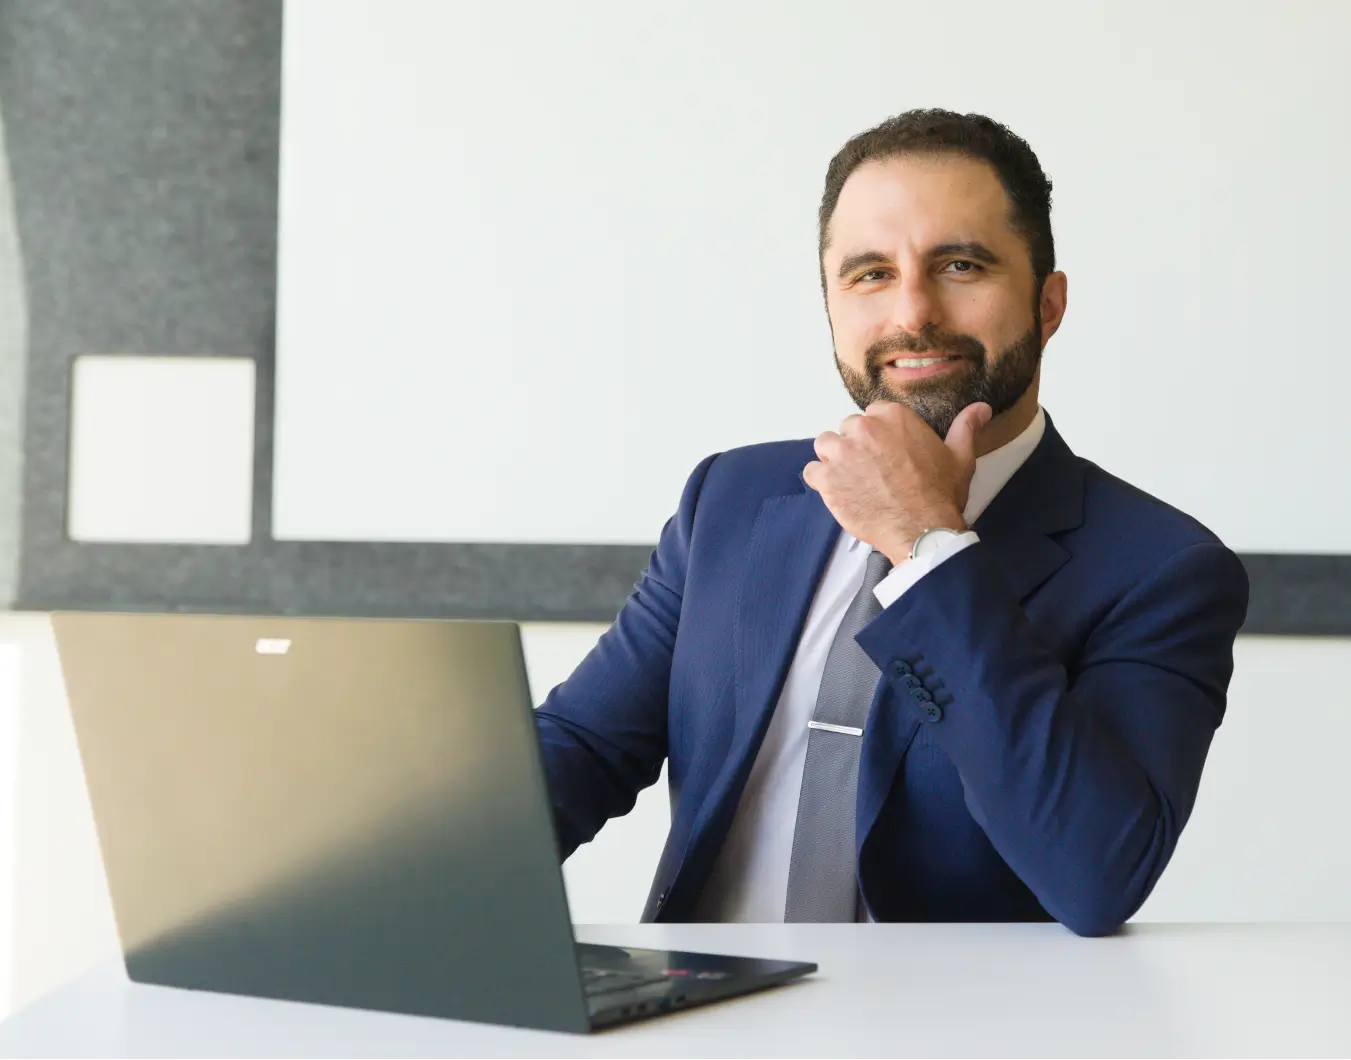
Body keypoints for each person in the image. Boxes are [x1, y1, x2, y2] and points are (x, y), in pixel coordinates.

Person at [534, 108, 1249, 936]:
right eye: (869, 274)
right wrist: (398, 860)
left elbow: (1097, 873)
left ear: (1047, 304)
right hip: (699, 1014)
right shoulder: (731, 498)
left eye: (959, 264)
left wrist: (927, 547)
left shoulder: (1160, 567)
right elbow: (583, 747)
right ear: (831, 306)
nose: (913, 312)